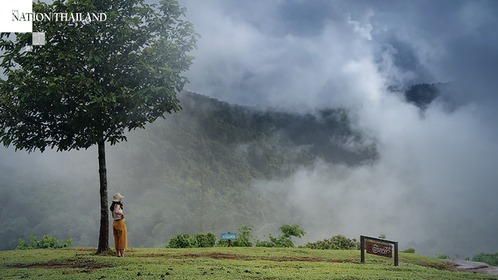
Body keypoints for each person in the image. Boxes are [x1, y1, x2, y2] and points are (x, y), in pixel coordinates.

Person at [110, 193, 127, 257]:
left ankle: (118, 253)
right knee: (122, 238)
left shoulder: (113, 206)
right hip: (120, 222)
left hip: (114, 222)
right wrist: (122, 214)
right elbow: (117, 211)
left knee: (116, 238)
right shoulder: (117, 205)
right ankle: (122, 254)